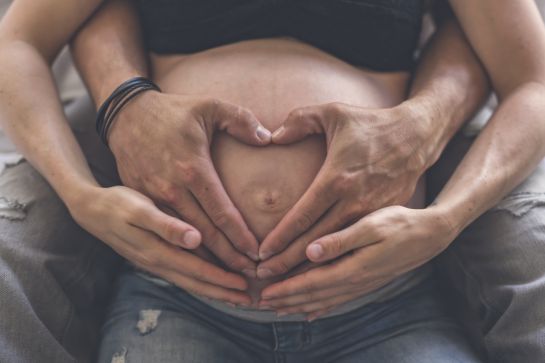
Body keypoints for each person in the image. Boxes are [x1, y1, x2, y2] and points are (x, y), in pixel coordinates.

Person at [0, 0, 544, 361]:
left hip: (386, 308)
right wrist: (79, 195)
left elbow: (533, 82)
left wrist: (445, 220)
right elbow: (17, 42)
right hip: (176, 302)